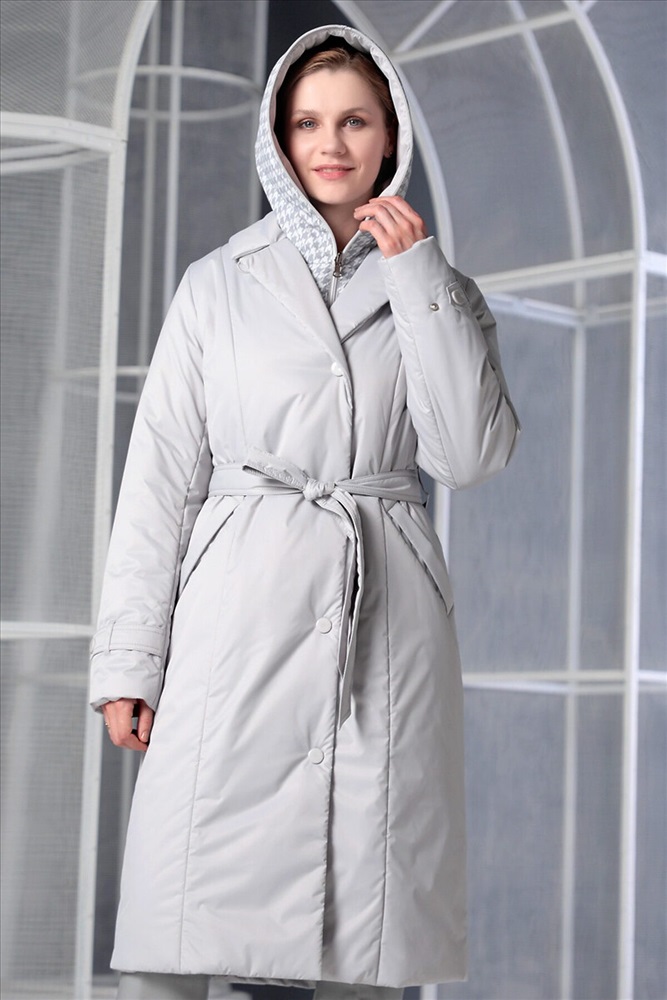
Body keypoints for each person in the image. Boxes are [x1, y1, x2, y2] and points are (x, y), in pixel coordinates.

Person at [89, 23, 520, 1000]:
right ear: (278, 138)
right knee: (178, 916)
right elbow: (158, 478)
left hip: (384, 620)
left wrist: (417, 281)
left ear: (389, 135)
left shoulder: (439, 288)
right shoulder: (216, 284)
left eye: (354, 121)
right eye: (307, 123)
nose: (330, 144)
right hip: (233, 617)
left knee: (369, 931)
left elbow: (468, 456)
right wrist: (128, 663)